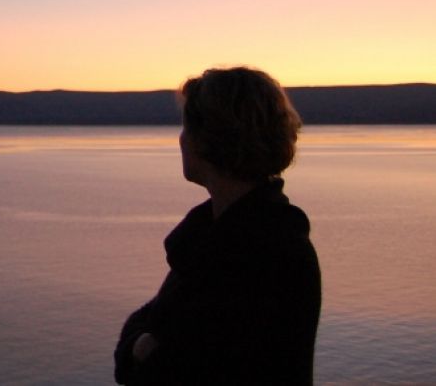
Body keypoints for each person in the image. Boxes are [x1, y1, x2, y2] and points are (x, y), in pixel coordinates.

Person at [114, 67, 321, 385]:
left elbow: (170, 367)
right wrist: (142, 344)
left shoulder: (260, 252)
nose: (181, 140)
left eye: (187, 127)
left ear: (210, 140)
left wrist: (144, 348)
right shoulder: (215, 236)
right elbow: (143, 333)